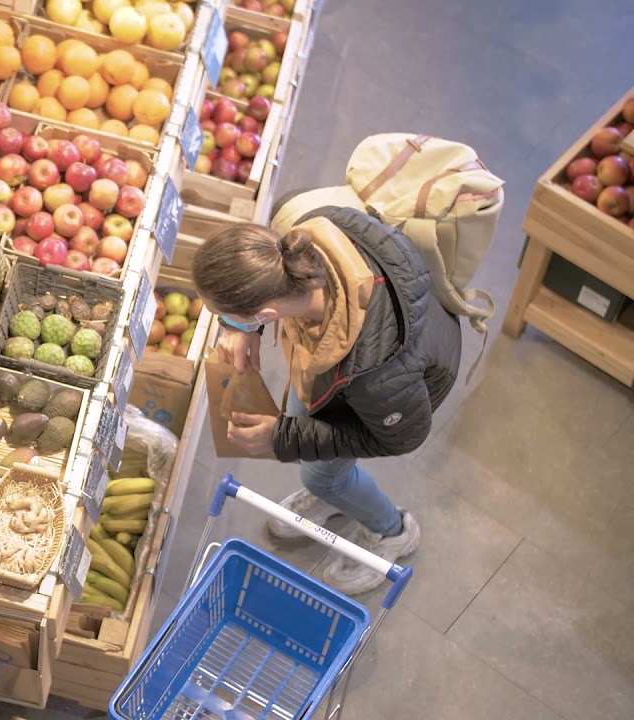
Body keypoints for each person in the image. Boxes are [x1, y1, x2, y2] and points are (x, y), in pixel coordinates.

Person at [191, 205, 461, 595]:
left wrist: (281, 438)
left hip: (400, 397)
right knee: (310, 432)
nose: (225, 322)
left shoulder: (374, 373)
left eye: (227, 314)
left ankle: (392, 531)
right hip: (349, 371)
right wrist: (238, 325)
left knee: (321, 473)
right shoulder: (307, 231)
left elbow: (401, 437)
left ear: (266, 312)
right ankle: (328, 493)